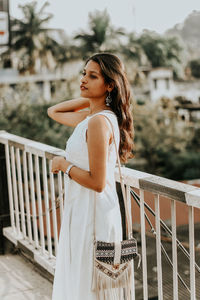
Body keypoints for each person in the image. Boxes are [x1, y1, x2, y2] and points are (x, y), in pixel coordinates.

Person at [48, 53, 134, 300]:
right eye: (83, 74)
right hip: (84, 211)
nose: (83, 79)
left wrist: (64, 165)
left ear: (110, 84)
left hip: (93, 216)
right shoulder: (93, 118)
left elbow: (97, 182)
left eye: (92, 76)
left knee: (90, 288)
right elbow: (53, 111)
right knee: (85, 286)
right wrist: (92, 97)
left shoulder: (98, 122)